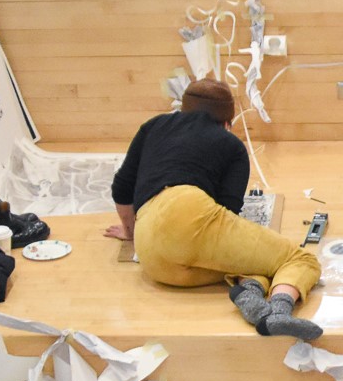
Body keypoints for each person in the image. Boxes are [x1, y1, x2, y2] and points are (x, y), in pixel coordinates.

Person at [106, 78, 323, 340]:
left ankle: (252, 298)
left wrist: (130, 232)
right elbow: (227, 210)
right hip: (188, 211)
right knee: (298, 259)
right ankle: (279, 312)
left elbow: (122, 186)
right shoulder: (230, 144)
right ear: (227, 123)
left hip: (153, 258)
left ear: (184, 109)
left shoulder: (153, 126)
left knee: (251, 262)